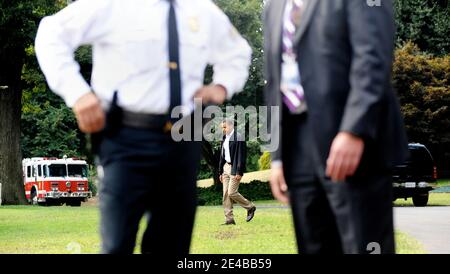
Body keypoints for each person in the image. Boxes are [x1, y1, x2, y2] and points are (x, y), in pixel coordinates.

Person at [35, 0, 251, 254]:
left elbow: (237, 52)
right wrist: (78, 93)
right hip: (126, 138)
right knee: (117, 242)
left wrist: (221, 86)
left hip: (184, 138)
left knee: (172, 243)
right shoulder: (110, 5)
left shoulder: (200, 9)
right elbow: (51, 34)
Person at [263, 0, 409, 254]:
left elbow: (372, 56)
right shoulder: (274, 5)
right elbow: (273, 79)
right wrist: (276, 157)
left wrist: (354, 129)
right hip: (296, 149)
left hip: (355, 142)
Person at [218, 118, 256, 225]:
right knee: (226, 194)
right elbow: (222, 155)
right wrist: (220, 171)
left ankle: (250, 207)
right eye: (222, 128)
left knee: (232, 192)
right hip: (225, 167)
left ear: (231, 126)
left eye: (224, 127)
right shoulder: (224, 137)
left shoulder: (239, 137)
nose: (223, 130)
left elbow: (241, 156)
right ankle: (229, 219)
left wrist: (239, 171)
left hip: (234, 168)